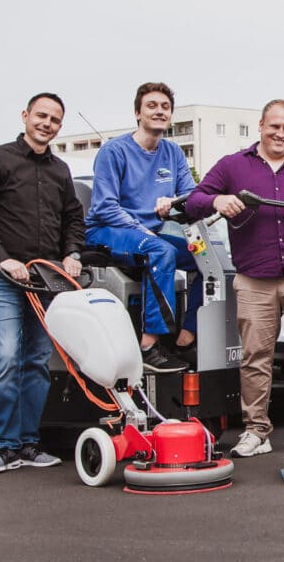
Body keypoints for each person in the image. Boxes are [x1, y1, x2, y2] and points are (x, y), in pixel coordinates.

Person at [184, 99, 284, 458]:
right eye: (274, 126)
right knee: (255, 357)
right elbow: (194, 201)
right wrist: (218, 201)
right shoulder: (232, 166)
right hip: (253, 278)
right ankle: (257, 431)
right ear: (260, 126)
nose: (281, 133)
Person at [0, 93, 84, 473]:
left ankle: (30, 445)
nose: (47, 123)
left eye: (54, 119)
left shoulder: (60, 170)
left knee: (36, 360)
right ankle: (6, 448)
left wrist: (72, 254)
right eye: (41, 116)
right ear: (25, 116)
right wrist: (5, 259)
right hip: (3, 278)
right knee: (6, 358)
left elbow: (73, 218)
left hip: (45, 281)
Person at [85, 82, 199, 374]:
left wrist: (174, 203)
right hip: (107, 230)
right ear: (137, 113)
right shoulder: (114, 151)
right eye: (152, 106)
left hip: (151, 235)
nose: (159, 111)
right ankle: (149, 346)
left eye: (165, 107)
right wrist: (140, 229)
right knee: (161, 251)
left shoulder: (173, 152)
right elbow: (104, 207)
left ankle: (186, 337)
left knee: (204, 257)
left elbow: (191, 196)